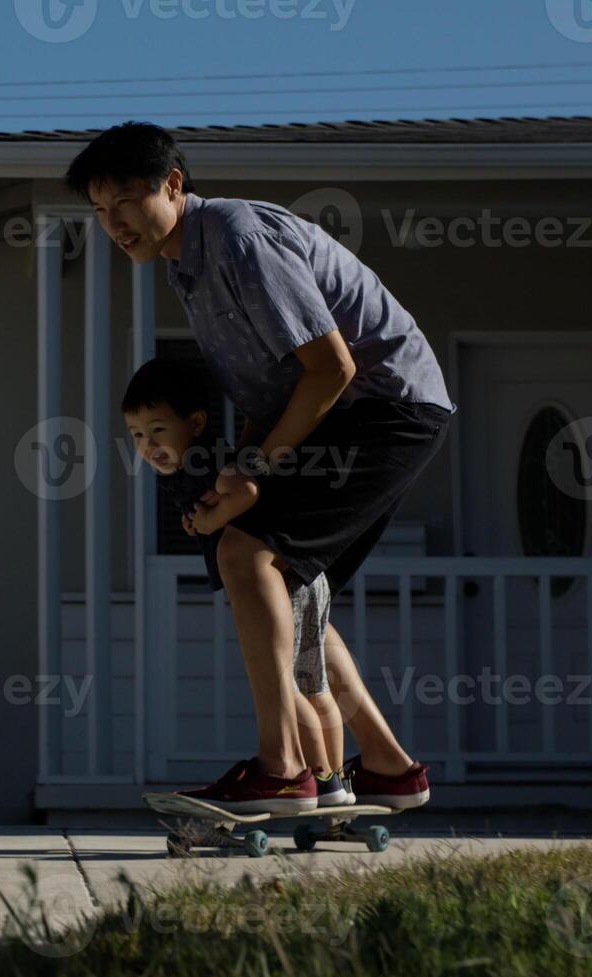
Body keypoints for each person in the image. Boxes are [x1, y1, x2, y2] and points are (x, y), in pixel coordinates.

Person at [69, 121, 453, 811]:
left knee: (247, 557)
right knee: (287, 586)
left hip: (385, 407)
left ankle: (283, 769)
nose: (114, 222)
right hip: (337, 419)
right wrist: (237, 480)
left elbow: (331, 367)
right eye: (99, 211)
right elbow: (274, 392)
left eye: (126, 201)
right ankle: (392, 767)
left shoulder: (240, 238)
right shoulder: (185, 266)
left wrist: (253, 473)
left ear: (174, 186)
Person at [122, 356, 354, 813]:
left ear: (195, 423)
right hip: (300, 571)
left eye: (158, 430)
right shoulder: (189, 462)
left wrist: (212, 519)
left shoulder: (204, 458)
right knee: (313, 683)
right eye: (137, 436)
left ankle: (317, 777)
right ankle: (333, 783)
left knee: (285, 685)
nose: (149, 446)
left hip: (278, 579)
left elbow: (246, 492)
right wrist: (203, 521)